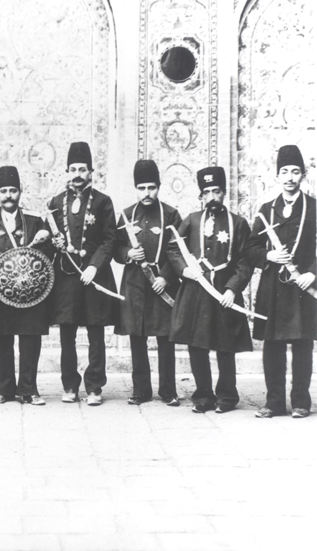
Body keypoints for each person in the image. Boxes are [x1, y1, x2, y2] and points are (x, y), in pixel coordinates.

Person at [168, 166, 253, 414]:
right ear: (200, 196)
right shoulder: (191, 220)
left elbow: (245, 261)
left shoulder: (239, 223)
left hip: (224, 294)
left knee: (225, 345)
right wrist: (184, 270)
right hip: (196, 292)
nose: (212, 197)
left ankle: (227, 396)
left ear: (224, 193)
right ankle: (203, 395)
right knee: (197, 345)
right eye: (207, 192)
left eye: (217, 191)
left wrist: (232, 289)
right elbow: (173, 249)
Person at [0, 165, 52, 405]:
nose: (8, 195)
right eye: (4, 191)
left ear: (20, 192)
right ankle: (5, 390)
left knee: (30, 339)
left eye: (13, 190)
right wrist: (4, 259)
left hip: (29, 293)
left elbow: (47, 251)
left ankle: (29, 390)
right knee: (2, 339)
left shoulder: (35, 222)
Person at [246, 145, 315, 418]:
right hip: (273, 287)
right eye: (284, 172)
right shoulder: (267, 209)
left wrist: (314, 272)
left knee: (302, 346)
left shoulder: (313, 208)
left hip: (302, 287)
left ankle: (300, 402)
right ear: (277, 176)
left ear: (303, 175)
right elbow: (250, 248)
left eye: (295, 172)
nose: (289, 177)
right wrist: (268, 254)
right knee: (272, 346)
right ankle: (273, 402)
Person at [47, 142, 119, 406]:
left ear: (91, 172)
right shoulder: (55, 203)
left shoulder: (103, 202)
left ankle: (94, 387)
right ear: (66, 171)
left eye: (83, 169)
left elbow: (110, 240)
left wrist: (94, 266)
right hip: (65, 278)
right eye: (73, 169)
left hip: (94, 278)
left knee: (95, 333)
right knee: (67, 334)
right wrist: (52, 242)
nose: (77, 174)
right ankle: (69, 386)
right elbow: (49, 242)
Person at [114, 160, 182, 406]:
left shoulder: (171, 214)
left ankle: (168, 391)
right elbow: (115, 247)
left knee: (166, 339)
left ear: (159, 187)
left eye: (151, 187)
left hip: (162, 285)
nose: (146, 193)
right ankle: (141, 390)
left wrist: (166, 276)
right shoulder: (125, 215)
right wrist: (127, 254)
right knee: (137, 338)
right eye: (141, 188)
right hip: (134, 284)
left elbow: (178, 251)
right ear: (135, 188)